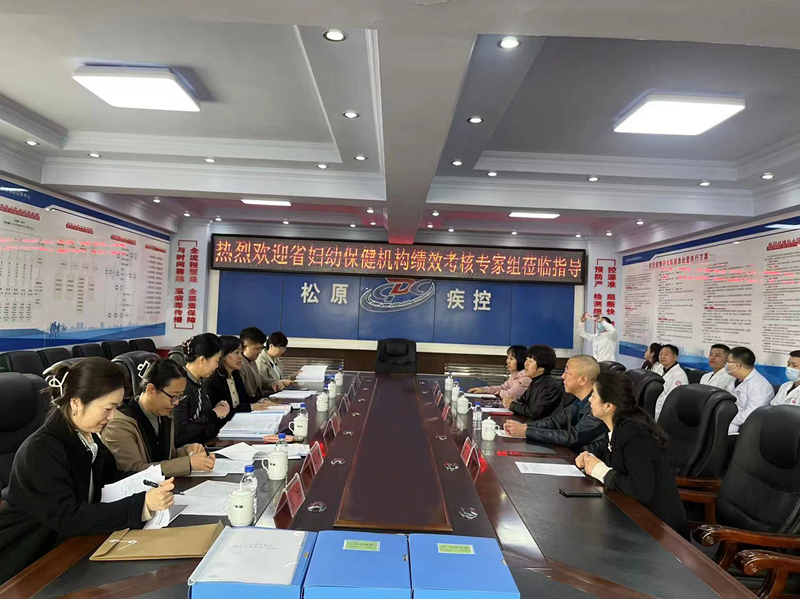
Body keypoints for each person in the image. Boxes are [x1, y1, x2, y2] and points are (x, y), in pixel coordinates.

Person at [0, 358, 175, 584]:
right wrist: (142, 505)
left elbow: (110, 481)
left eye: (116, 408)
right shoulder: (42, 450)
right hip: (28, 560)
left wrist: (150, 483)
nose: (112, 416)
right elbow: (69, 518)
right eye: (108, 408)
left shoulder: (88, 437)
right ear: (76, 403)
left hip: (70, 547)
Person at [576, 372, 689, 539]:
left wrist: (600, 470)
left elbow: (641, 490)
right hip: (631, 516)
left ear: (608, 406)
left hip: (658, 530)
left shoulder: (634, 433)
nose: (590, 400)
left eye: (593, 395)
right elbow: (618, 465)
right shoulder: (619, 426)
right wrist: (589, 459)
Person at [102, 359, 216, 477]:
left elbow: (166, 457)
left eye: (180, 396)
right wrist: (187, 463)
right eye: (173, 396)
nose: (176, 402)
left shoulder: (164, 415)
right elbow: (133, 471)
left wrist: (186, 451)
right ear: (151, 390)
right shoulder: (119, 424)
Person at [503, 355, 606, 453]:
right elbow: (556, 421)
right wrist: (525, 427)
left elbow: (572, 437)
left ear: (583, 380)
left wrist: (527, 431)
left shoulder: (599, 407)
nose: (562, 376)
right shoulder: (579, 401)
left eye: (567, 372)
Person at [173, 333, 230, 447]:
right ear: (202, 359)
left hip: (207, 444)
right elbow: (180, 433)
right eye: (216, 361)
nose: (217, 366)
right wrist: (214, 413)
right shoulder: (181, 387)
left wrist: (218, 410)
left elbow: (202, 418)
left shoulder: (199, 381)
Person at [204, 335, 272, 418]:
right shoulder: (213, 381)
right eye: (236, 353)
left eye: (241, 353)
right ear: (223, 355)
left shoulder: (235, 374)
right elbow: (223, 413)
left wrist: (262, 400)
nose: (241, 357)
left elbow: (244, 398)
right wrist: (250, 407)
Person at [507, 345, 567, 421]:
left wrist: (512, 405)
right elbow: (522, 402)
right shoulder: (534, 382)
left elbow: (534, 412)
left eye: (530, 361)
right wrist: (513, 401)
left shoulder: (549, 387)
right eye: (526, 359)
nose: (525, 364)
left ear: (541, 369)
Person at [725, 346, 774, 435]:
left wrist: (726, 417)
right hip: (729, 419)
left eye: (728, 361)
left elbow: (751, 414)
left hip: (742, 428)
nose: (726, 364)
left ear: (737, 365)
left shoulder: (760, 386)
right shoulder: (733, 380)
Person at [239, 327, 281, 398]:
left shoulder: (252, 361)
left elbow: (259, 378)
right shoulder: (239, 364)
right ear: (245, 346)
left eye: (261, 348)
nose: (260, 352)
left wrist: (272, 383)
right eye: (257, 349)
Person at [653, 345, 688, 420]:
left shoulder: (679, 375)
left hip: (667, 412)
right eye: (660, 354)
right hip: (654, 405)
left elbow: (672, 398)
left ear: (675, 357)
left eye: (666, 354)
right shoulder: (659, 368)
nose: (662, 356)